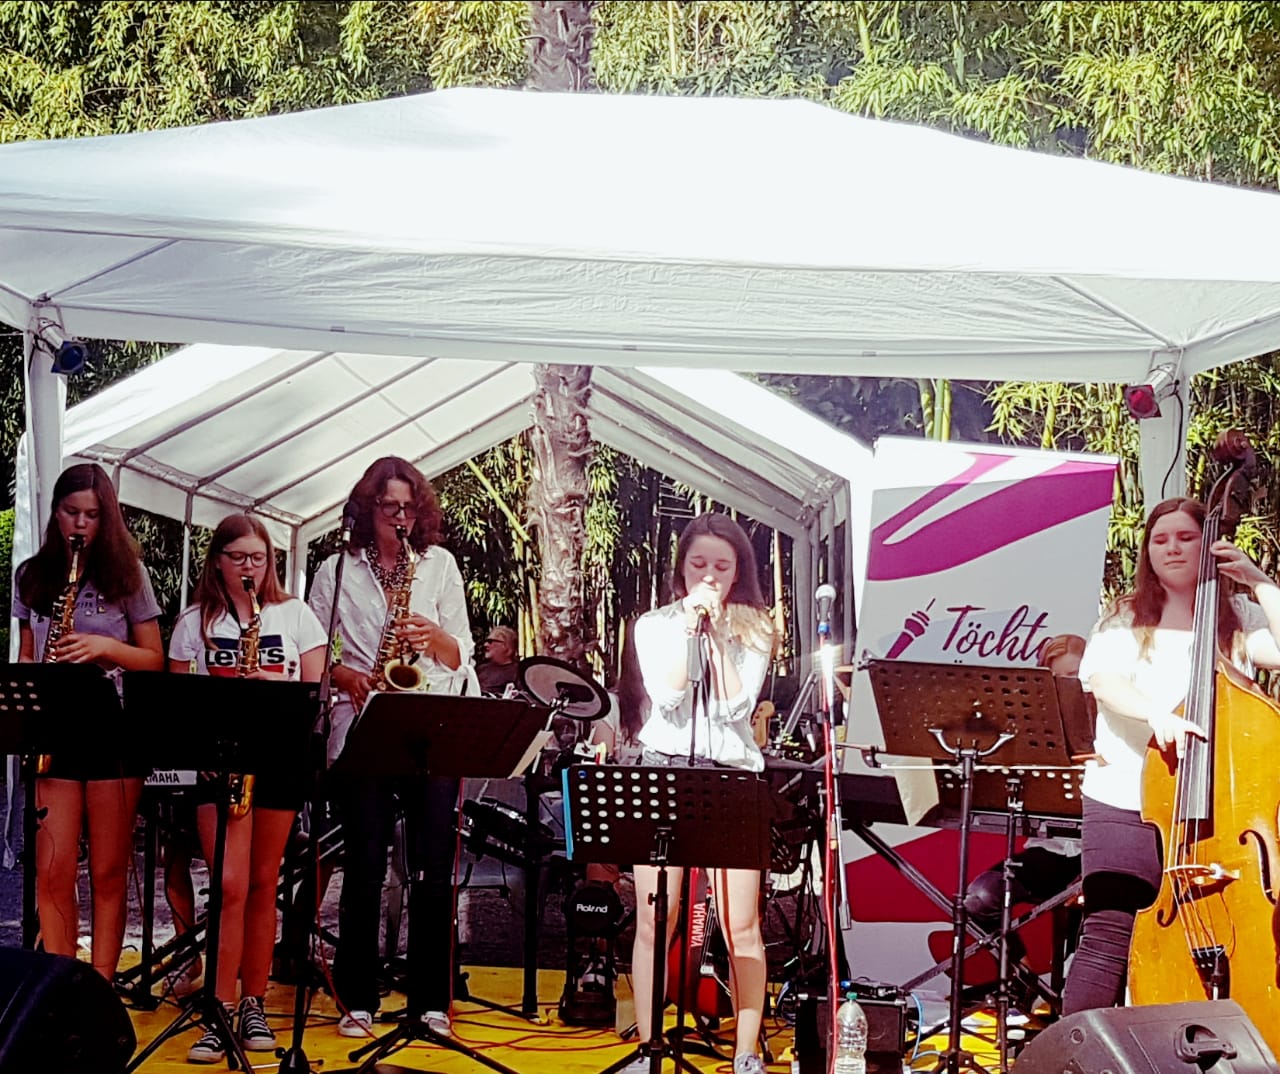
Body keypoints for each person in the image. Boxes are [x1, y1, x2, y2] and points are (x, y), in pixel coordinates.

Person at [1062, 497, 1280, 1014]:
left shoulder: (1239, 617)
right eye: (1160, 540)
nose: (1172, 548)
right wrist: (1156, 715)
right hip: (1126, 796)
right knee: (1109, 931)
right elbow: (1105, 682)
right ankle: (1074, 1050)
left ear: (1208, 545)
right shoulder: (1124, 616)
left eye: (1186, 537)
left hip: (1217, 809)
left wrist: (1259, 581)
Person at [308, 456, 474, 1038]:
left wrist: (436, 637)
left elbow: (461, 655)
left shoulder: (440, 565)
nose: (401, 518)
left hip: (429, 723)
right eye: (389, 508)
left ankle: (432, 1000)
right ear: (367, 509)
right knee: (364, 864)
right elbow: (313, 650)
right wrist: (347, 675)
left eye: (409, 508)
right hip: (363, 722)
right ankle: (357, 997)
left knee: (434, 866)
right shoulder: (334, 569)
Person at [168, 513, 327, 1063]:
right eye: (237, 557)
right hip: (220, 766)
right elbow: (177, 701)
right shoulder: (195, 620)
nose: (249, 568)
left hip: (278, 760)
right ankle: (218, 1006)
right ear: (217, 562)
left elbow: (315, 695)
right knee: (229, 885)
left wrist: (274, 684)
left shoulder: (295, 615)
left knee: (262, 884)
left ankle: (253, 1002)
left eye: (258, 558)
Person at [627, 513, 775, 1074]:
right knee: (654, 916)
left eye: (722, 566)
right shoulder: (654, 624)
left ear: (738, 572)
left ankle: (746, 1050)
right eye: (698, 564)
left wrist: (714, 638)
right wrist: (690, 628)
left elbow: (737, 707)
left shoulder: (756, 628)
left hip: (732, 774)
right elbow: (666, 695)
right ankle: (649, 1045)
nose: (709, 576)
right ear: (681, 569)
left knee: (741, 924)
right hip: (665, 767)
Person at [12, 463, 165, 978]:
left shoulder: (129, 575)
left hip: (112, 728)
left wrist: (104, 647)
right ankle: (60, 985)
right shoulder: (32, 576)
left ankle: (101, 987)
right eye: (70, 512)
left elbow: (154, 659)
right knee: (52, 869)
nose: (80, 524)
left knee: (108, 870)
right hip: (52, 727)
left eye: (92, 515)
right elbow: (28, 653)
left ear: (108, 518)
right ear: (55, 513)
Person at [961, 635, 1085, 1008]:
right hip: (1050, 850)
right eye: (1058, 680)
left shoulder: (1116, 724)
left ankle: (1073, 1002)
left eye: (1075, 676)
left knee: (1099, 903)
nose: (1070, 687)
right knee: (979, 898)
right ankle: (1028, 984)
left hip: (1100, 848)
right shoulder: (1033, 732)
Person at [476, 625, 519, 695]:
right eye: (486, 641)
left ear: (505, 645)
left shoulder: (519, 672)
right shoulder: (481, 670)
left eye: (490, 641)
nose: (485, 645)